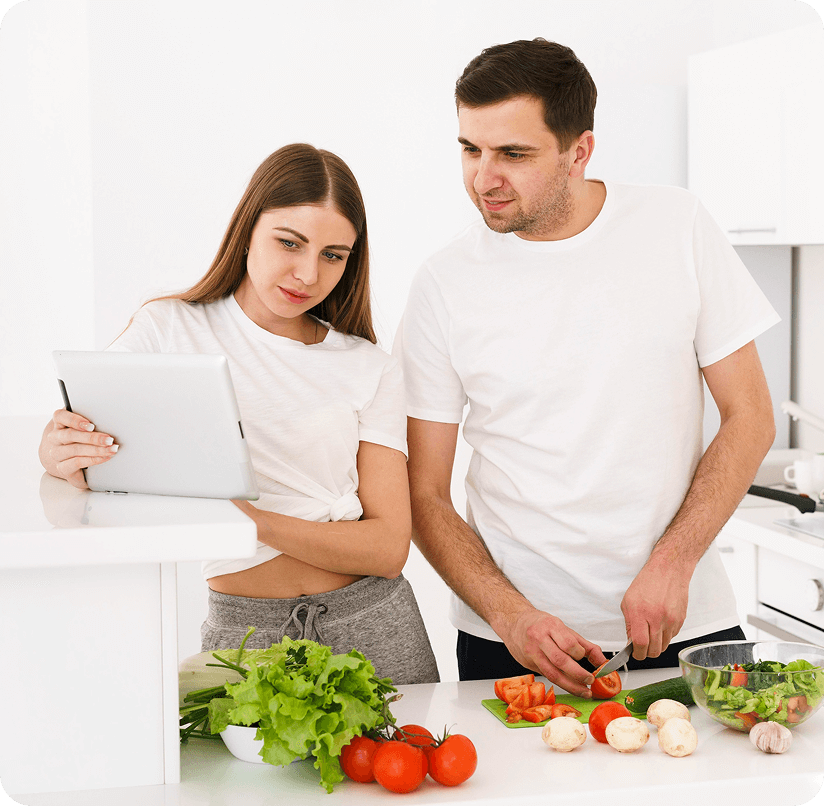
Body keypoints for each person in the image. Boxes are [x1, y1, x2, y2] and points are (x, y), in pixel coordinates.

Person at [393, 39, 778, 696]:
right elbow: (424, 493)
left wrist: (673, 562)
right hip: (515, 643)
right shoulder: (442, 283)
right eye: (470, 149)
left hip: (686, 619)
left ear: (580, 151)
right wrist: (512, 617)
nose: (484, 177)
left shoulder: (676, 225)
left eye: (513, 153)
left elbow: (750, 417)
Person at [39, 143, 439, 686]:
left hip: (374, 625)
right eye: (289, 243)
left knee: (404, 770)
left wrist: (250, 522)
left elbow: (388, 548)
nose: (307, 273)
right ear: (248, 228)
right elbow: (95, 458)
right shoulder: (169, 330)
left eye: (333, 255)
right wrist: (56, 452)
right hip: (246, 637)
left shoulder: (369, 366)